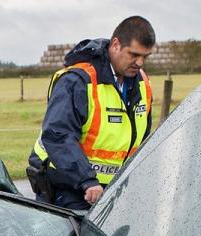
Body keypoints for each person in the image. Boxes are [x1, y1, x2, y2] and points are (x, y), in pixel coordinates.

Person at [27, 16, 155, 210]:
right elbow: (58, 135)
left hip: (112, 191)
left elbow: (141, 137)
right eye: (134, 54)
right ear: (115, 45)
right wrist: (87, 180)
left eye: (145, 57)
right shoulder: (78, 81)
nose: (140, 62)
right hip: (67, 186)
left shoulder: (142, 83)